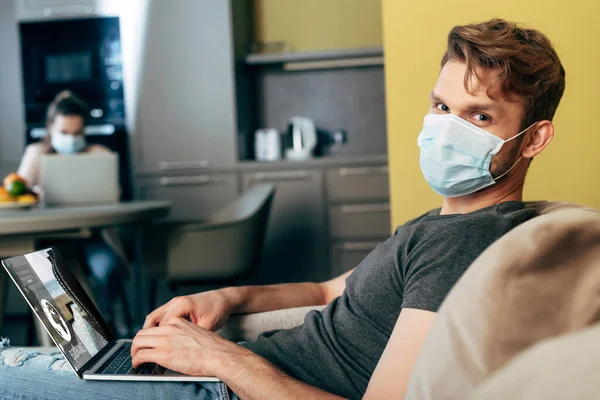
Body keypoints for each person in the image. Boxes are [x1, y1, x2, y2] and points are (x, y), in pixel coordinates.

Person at [0, 18, 565, 400]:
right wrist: (227, 297)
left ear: (534, 139)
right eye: (441, 105)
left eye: (479, 116)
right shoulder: (440, 224)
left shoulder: (464, 245)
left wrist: (221, 361)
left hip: (222, 388)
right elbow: (325, 293)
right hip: (225, 372)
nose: (446, 128)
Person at [16, 91, 129, 334]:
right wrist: (35, 193)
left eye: (77, 133)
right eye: (64, 133)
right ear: (50, 128)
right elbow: (18, 193)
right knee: (51, 279)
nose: (71, 139)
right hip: (48, 241)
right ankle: (73, 334)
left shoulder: (99, 155)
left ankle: (107, 324)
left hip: (92, 237)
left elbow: (115, 196)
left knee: (107, 269)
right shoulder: (36, 154)